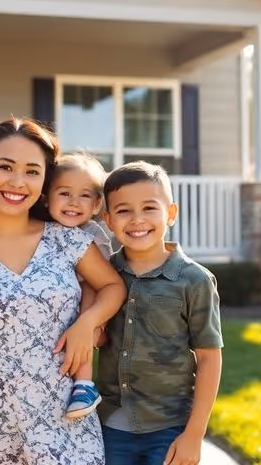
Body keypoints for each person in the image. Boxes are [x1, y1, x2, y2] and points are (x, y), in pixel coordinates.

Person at [0, 117, 126, 465]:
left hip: (63, 424)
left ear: (44, 180)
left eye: (32, 171)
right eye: (5, 167)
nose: (17, 182)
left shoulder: (68, 239)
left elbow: (113, 286)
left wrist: (88, 323)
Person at [95, 161, 224, 465]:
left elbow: (209, 358)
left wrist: (193, 435)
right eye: (124, 210)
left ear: (171, 213)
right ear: (108, 220)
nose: (137, 219)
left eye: (149, 208)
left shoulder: (194, 280)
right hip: (110, 425)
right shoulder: (103, 273)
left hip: (169, 427)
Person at [45, 153, 116, 419]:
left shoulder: (92, 234)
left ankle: (84, 384)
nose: (74, 202)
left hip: (93, 307)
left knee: (88, 291)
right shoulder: (44, 230)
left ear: (97, 203)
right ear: (46, 196)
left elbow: (102, 282)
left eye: (85, 196)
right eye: (64, 193)